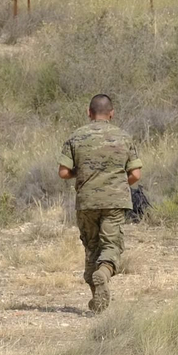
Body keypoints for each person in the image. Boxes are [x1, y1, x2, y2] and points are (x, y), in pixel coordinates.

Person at [58, 94, 142, 313]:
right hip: (115, 200)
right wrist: (119, 183)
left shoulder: (76, 137)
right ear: (111, 113)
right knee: (111, 246)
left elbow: (64, 172)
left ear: (89, 112)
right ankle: (104, 273)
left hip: (86, 202)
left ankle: (97, 302)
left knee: (91, 248)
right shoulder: (123, 137)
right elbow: (136, 174)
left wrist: (83, 174)